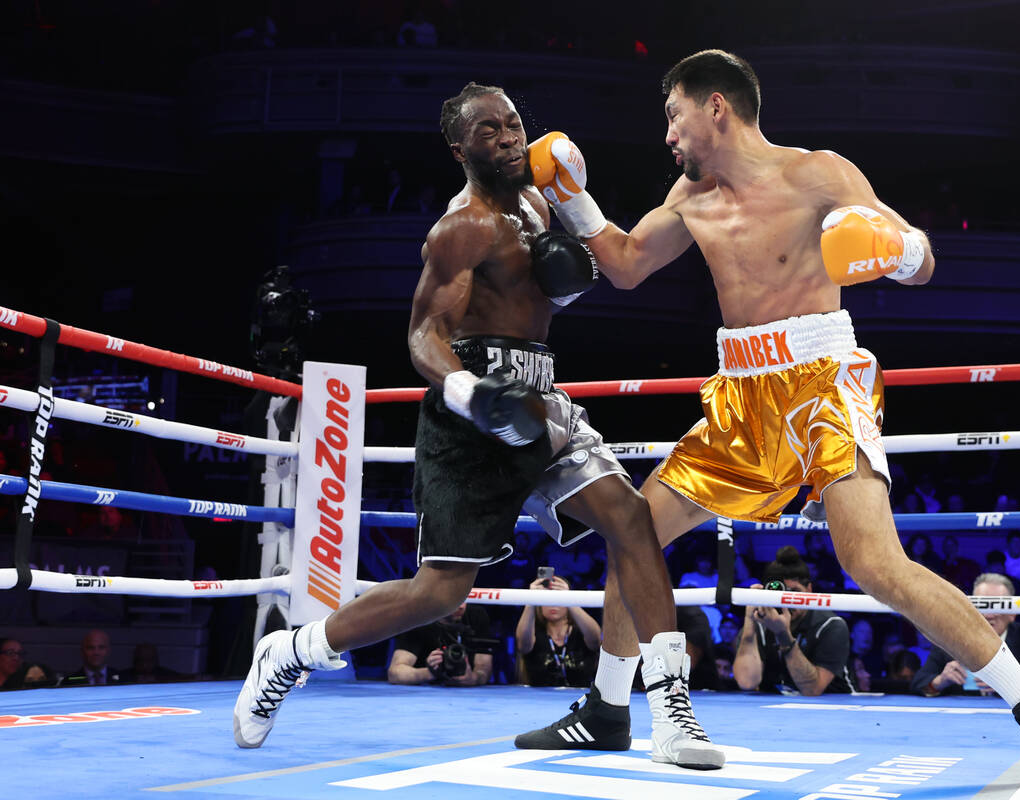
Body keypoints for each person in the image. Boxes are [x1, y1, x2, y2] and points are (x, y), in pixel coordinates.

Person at [520, 49, 1020, 789]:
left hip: (822, 380)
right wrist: (574, 197)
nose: (666, 133)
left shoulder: (818, 173)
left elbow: (921, 260)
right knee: (633, 530)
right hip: (740, 393)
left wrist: (894, 249)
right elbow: (627, 263)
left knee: (873, 562)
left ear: (716, 107)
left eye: (674, 114)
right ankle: (607, 707)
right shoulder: (690, 192)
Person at [233, 82, 721, 770]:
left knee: (631, 518)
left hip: (540, 396)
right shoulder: (461, 226)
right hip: (472, 408)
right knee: (441, 591)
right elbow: (423, 334)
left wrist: (577, 214)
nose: (509, 137)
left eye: (514, 123)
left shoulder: (539, 199)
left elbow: (569, 283)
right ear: (459, 147)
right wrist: (470, 391)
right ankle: (290, 652)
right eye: (489, 130)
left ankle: (670, 709)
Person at [732, 546, 852, 695]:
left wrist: (783, 634)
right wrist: (750, 621)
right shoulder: (760, 622)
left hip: (833, 709)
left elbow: (812, 689)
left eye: (794, 593)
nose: (787, 601)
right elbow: (747, 682)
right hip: (777, 712)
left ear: (809, 589)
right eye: (780, 593)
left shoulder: (831, 625)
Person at [912, 573, 1020, 697]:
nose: (989, 615)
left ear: (1012, 613)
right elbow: (918, 683)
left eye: (997, 606)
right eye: (983, 606)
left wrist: (1009, 686)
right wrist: (940, 681)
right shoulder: (950, 638)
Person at [515, 574, 601, 687]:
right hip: (538, 700)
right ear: (540, 605)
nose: (553, 603)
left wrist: (568, 597)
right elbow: (523, 645)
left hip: (579, 699)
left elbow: (596, 640)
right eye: (548, 598)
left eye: (558, 597)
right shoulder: (532, 632)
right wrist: (531, 600)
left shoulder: (581, 631)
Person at [388, 601, 494, 686]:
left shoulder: (476, 615)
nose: (461, 606)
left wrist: (473, 678)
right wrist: (430, 673)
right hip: (425, 696)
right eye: (456, 599)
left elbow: (483, 669)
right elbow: (395, 673)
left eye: (464, 598)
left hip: (469, 697)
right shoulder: (419, 618)